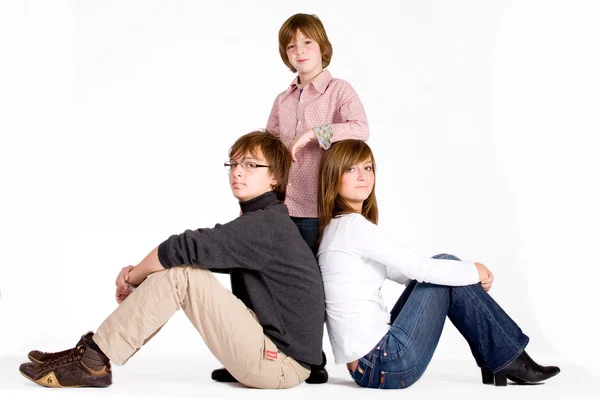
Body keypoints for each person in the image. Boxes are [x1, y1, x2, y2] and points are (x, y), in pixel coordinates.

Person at [19, 131, 325, 389]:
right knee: (184, 268)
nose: (237, 171)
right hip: (273, 350)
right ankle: (92, 354)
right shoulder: (266, 221)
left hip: (282, 366)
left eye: (250, 164)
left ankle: (93, 358)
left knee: (182, 273)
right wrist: (141, 274)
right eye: (233, 163)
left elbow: (180, 247)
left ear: (275, 177)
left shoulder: (264, 226)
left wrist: (134, 276)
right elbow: (196, 254)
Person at [316, 139, 560, 389]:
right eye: (351, 169)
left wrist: (463, 279)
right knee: (444, 266)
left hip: (371, 364)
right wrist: (475, 270)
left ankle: (502, 357)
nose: (362, 177)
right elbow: (421, 269)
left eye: (367, 168)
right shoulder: (353, 227)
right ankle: (508, 357)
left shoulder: (337, 229)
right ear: (334, 177)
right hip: (384, 363)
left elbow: (405, 274)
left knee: (445, 272)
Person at [262, 13, 370, 383]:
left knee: (314, 285)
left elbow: (360, 128)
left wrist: (313, 134)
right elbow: (270, 144)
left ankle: (313, 358)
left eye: (306, 42)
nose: (299, 50)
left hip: (316, 206)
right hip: (282, 207)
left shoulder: (339, 90)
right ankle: (265, 355)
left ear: (322, 46)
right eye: (291, 45)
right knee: (277, 283)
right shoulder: (282, 98)